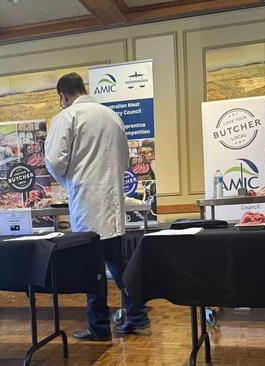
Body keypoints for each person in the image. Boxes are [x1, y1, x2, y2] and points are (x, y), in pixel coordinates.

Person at [45, 73, 151, 341]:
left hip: (87, 202)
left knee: (92, 268)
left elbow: (55, 161)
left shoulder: (68, 117)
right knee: (118, 262)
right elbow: (125, 160)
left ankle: (100, 327)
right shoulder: (112, 116)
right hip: (112, 202)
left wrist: (70, 182)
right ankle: (137, 315)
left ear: (63, 95)